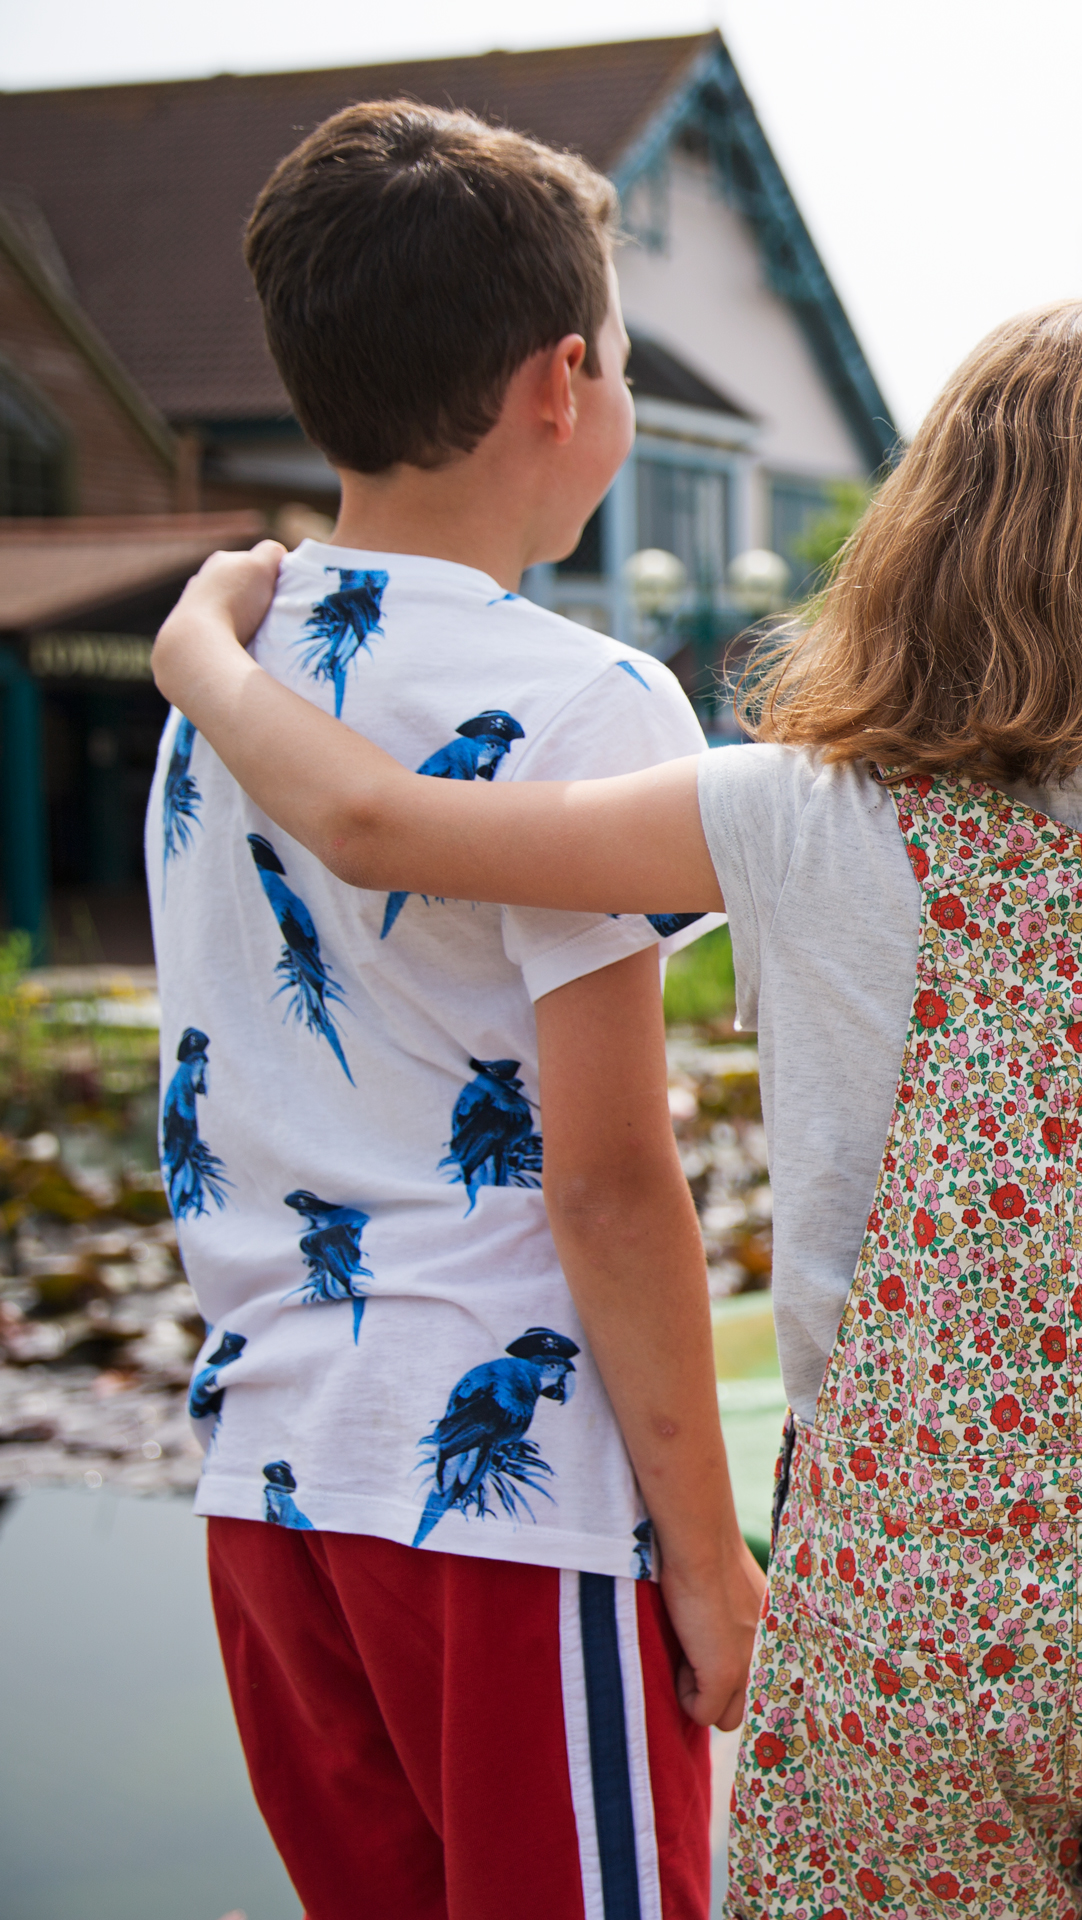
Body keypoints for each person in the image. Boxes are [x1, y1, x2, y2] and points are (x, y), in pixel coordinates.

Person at [153, 296, 1082, 1917]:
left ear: (938, 532)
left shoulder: (796, 819)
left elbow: (373, 824)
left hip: (900, 1638)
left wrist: (201, 655)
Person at [146, 101, 760, 1919]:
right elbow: (609, 1184)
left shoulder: (222, 675)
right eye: (630, 365)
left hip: (268, 1482)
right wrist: (715, 1567)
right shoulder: (591, 702)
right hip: (511, 1520)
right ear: (563, 383)